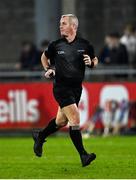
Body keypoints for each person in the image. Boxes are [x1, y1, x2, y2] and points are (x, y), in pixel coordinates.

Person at [32, 14, 98, 167]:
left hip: (76, 89)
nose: (60, 26)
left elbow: (95, 59)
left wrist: (92, 63)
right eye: (60, 23)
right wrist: (48, 68)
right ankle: (84, 155)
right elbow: (44, 56)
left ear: (74, 26)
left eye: (63, 23)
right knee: (74, 119)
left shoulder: (85, 45)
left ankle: (40, 136)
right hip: (61, 88)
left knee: (61, 121)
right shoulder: (56, 45)